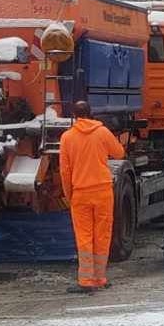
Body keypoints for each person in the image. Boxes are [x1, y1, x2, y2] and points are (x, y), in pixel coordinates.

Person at [59, 101, 126, 294]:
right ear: (91, 114)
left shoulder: (67, 137)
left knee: (84, 237)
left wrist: (69, 194)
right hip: (103, 191)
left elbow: (65, 171)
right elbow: (119, 153)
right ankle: (100, 278)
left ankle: (86, 281)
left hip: (81, 193)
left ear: (75, 116)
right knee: (102, 235)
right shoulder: (102, 132)